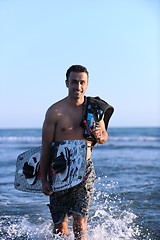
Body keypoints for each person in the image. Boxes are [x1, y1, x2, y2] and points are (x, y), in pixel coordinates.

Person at [40, 65, 113, 239]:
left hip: (84, 171)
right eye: (74, 82)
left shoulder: (94, 109)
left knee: (80, 224)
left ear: (87, 84)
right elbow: (46, 147)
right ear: (67, 83)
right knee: (60, 227)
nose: (78, 87)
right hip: (59, 171)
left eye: (82, 82)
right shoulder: (54, 112)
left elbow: (103, 138)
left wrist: (99, 134)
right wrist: (43, 179)